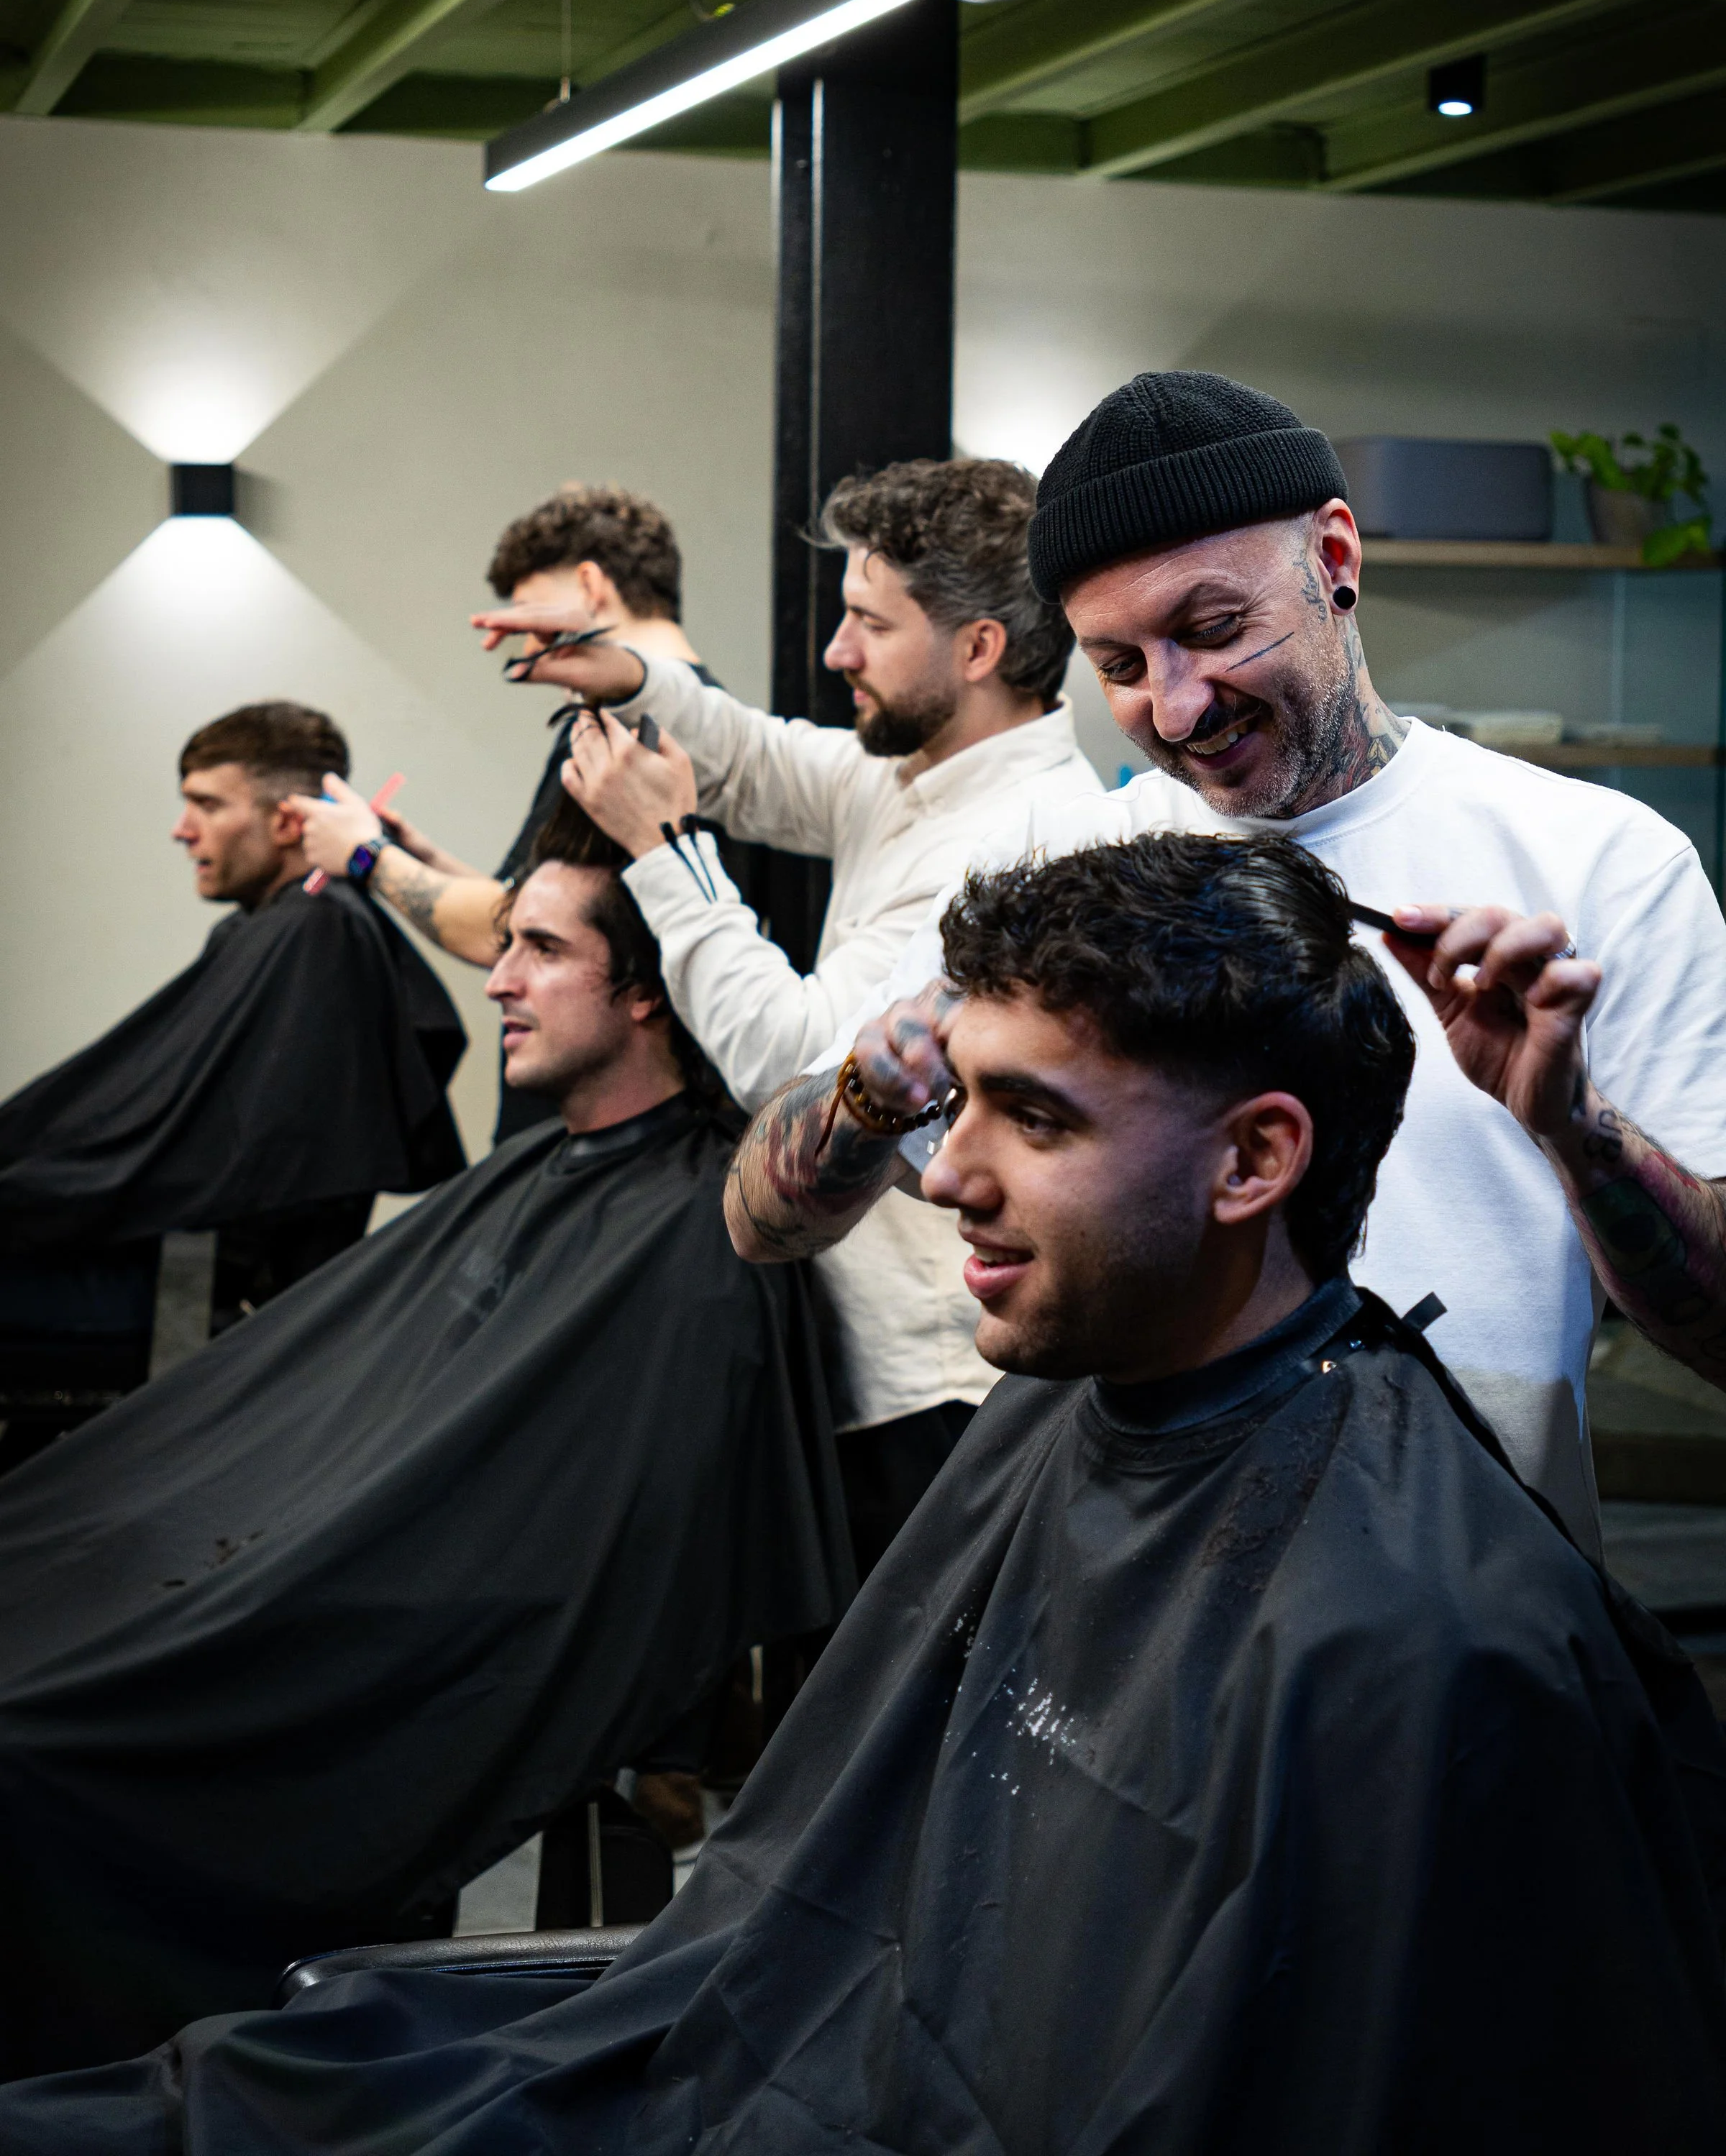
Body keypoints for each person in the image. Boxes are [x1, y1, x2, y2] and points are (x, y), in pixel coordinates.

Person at [10, 833, 1725, 2154]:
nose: (948, 1173)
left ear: (1253, 1158)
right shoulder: (1074, 1408)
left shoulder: (1418, 1646)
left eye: (1030, 1119)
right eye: (957, 1100)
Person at [726, 372, 1726, 1551]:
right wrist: (876, 1085)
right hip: (1125, 1574)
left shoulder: (1598, 865)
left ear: (1334, 559)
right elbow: (761, 1222)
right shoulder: (1059, 863)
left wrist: (1571, 1124)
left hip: (1470, 1588)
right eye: (1121, 666)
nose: (1178, 706)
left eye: (1213, 630)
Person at [0, 798, 850, 2083]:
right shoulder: (546, 1176)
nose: (497, 981)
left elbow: (595, 1566)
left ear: (646, 993)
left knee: (35, 1744)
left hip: (391, 1636)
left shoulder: (690, 1240)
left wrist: (275, 1583)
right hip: (306, 1564)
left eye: (541, 952)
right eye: (504, 945)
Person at [478, 457, 1100, 1572]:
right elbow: (758, 759)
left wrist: (665, 851)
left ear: (978, 649)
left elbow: (804, 1071)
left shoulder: (1017, 836)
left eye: (870, 624)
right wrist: (636, 674)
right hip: (858, 1334)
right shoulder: (920, 772)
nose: (836, 653)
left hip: (937, 1379)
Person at [0, 703, 466, 1436]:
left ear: (287, 822)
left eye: (208, 805)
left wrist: (32, 1185)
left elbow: (183, 1153)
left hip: (186, 1291)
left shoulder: (315, 935)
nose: (182, 830)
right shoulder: (276, 930)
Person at [296, 481, 742, 1142]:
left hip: (611, 1126)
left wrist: (366, 856)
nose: (528, 647)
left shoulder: (625, 740)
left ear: (591, 587)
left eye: (533, 619)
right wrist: (423, 860)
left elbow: (502, 934)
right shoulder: (710, 731)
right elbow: (537, 911)